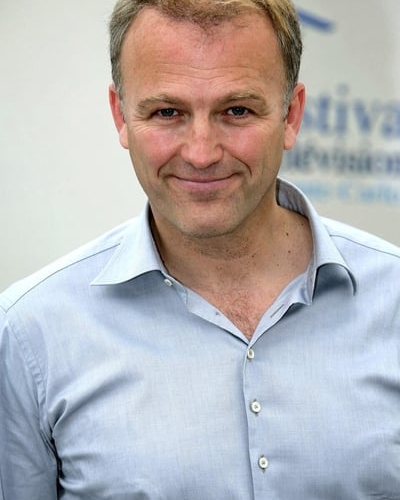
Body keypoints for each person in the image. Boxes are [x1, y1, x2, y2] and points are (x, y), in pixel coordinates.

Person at [1, 0, 400, 498]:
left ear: (291, 115)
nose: (201, 152)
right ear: (121, 115)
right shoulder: (30, 335)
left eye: (237, 111)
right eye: (167, 113)